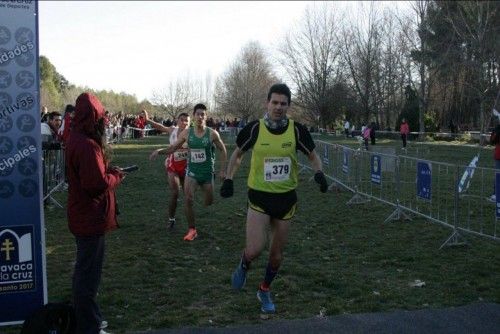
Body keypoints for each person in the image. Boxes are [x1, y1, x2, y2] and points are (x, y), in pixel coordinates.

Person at [220, 83, 328, 314]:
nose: (278, 107)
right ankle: (244, 264)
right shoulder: (254, 129)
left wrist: (319, 172)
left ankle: (264, 289)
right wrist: (229, 178)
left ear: (288, 106)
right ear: (267, 103)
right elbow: (237, 155)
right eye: (275, 102)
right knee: (255, 249)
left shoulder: (297, 131)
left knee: (276, 256)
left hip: (286, 200)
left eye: (283, 103)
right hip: (259, 197)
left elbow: (313, 155)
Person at [66, 92, 125, 334]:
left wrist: (107, 169)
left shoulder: (77, 139)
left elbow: (91, 174)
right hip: (89, 217)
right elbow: (96, 185)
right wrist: (116, 176)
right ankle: (88, 326)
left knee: (86, 271)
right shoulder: (88, 145)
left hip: (83, 216)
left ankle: (89, 317)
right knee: (88, 275)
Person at [160, 103, 227, 241]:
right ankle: (192, 229)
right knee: (188, 199)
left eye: (203, 114)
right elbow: (173, 148)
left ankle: (206, 199)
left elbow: (223, 150)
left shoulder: (212, 134)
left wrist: (222, 170)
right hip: (192, 172)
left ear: (206, 117)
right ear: (194, 116)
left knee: (208, 202)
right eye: (198, 114)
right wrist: (159, 152)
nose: (200, 117)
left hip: (207, 173)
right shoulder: (187, 133)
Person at [146, 110, 191, 229]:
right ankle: (171, 219)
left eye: (187, 120)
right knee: (175, 193)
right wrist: (147, 119)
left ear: (190, 122)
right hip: (173, 166)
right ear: (177, 121)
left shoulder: (192, 133)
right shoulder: (173, 130)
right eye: (182, 120)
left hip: (187, 167)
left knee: (188, 195)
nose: (184, 122)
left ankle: (190, 222)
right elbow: (159, 126)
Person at [489, 124, 500, 202]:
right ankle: (495, 194)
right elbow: (492, 140)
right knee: (498, 175)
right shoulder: (498, 128)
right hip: (498, 156)